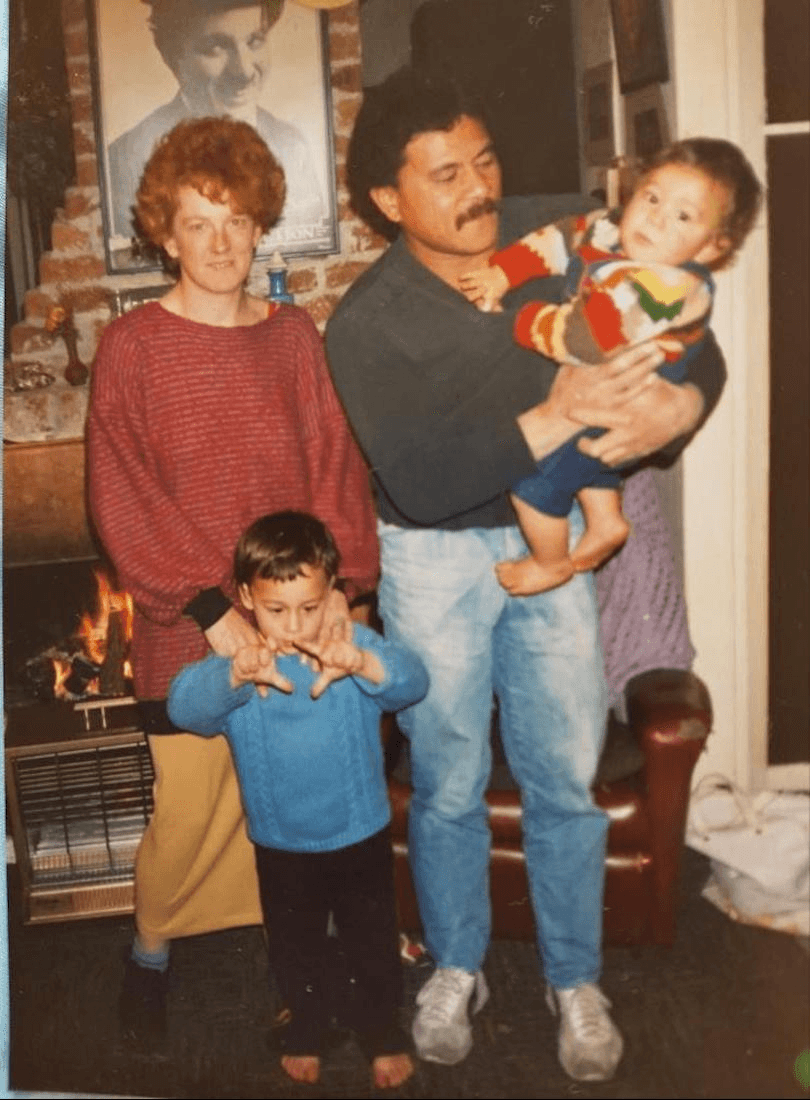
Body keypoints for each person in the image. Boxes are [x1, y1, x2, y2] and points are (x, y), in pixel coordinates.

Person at [325, 67, 727, 1083]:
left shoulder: (563, 243)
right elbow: (419, 480)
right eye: (447, 171)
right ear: (387, 199)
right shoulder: (365, 325)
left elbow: (690, 322)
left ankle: (573, 976)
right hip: (434, 552)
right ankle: (458, 964)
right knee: (450, 778)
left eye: (488, 159)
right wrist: (563, 408)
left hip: (550, 556)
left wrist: (682, 406)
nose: (480, 187)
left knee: (564, 772)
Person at [86, 115, 377, 1046]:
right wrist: (211, 609)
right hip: (192, 631)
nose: (219, 243)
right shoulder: (132, 347)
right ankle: (150, 947)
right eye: (197, 223)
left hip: (294, 616)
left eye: (237, 221)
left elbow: (335, 470)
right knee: (191, 810)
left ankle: (306, 950)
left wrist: (344, 595)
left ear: (261, 228)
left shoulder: (295, 338)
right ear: (164, 234)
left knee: (298, 801)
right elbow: (120, 494)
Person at [166, 511, 426, 1088]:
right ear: (245, 600)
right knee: (294, 945)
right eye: (276, 610)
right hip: (281, 840)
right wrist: (233, 675)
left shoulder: (348, 643)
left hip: (359, 830)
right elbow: (184, 707)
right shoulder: (242, 663)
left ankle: (380, 1030)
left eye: (309, 607)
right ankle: (305, 1025)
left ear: (332, 593)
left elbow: (413, 681)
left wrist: (362, 662)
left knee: (371, 939)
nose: (293, 625)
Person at [458, 138, 762, 594]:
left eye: (683, 216)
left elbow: (583, 339)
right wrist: (504, 271)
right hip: (603, 397)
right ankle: (606, 522)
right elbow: (559, 239)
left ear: (709, 249)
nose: (655, 218)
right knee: (589, 466)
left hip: (627, 404)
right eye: (652, 197)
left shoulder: (665, 287)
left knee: (531, 485)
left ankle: (550, 562)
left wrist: (513, 322)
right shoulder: (609, 230)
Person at [107, 0, 325, 239]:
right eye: (215, 49)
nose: (243, 72)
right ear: (171, 56)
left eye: (254, 41)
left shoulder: (293, 146)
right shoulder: (127, 159)